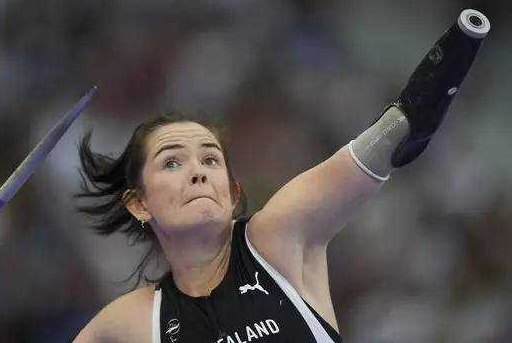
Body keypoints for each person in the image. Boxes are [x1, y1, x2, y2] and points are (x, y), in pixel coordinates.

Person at [71, 31, 480, 342]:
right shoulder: (135, 321)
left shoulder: (277, 237)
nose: (197, 172)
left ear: (231, 192)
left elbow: (390, 140)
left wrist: (455, 49)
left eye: (210, 159)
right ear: (139, 203)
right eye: (172, 161)